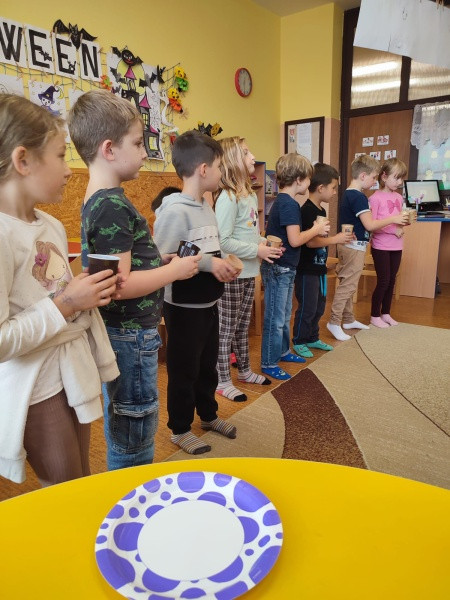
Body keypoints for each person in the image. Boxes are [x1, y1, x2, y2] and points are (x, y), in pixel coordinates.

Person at [67, 90, 200, 470]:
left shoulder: (101, 198)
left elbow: (121, 266)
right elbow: (120, 286)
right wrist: (174, 271)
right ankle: (133, 494)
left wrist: (159, 260)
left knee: (129, 419)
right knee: (135, 428)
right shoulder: (110, 203)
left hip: (125, 334)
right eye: (139, 143)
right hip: (131, 336)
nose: (145, 152)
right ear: (109, 149)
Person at [0, 94, 120, 486]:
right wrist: (67, 303)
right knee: (64, 487)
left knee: (81, 477)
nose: (70, 170)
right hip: (36, 386)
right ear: (23, 160)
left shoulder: (50, 224)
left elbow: (52, 290)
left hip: (71, 371)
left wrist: (89, 292)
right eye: (60, 155)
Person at [153, 130, 238, 454]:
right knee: (184, 369)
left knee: (207, 365)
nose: (220, 173)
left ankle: (208, 415)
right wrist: (209, 264)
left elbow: (209, 248)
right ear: (203, 169)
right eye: (218, 167)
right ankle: (179, 429)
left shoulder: (205, 206)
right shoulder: (175, 211)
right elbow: (164, 256)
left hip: (208, 302)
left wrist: (225, 262)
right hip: (184, 306)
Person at [214, 136, 282, 402]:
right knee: (226, 330)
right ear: (232, 160)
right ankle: (222, 380)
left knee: (242, 327)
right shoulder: (228, 197)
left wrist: (264, 243)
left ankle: (244, 371)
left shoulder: (249, 195)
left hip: (249, 273)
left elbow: (248, 234)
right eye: (245, 153)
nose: (252, 156)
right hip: (233, 274)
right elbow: (223, 241)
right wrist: (258, 251)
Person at [261, 153, 330, 381]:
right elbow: (295, 239)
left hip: (286, 268)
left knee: (283, 315)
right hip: (279, 269)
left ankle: (282, 352)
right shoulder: (289, 204)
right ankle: (269, 362)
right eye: (308, 179)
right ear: (299, 180)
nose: (309, 183)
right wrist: (316, 230)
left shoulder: (286, 202)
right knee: (275, 318)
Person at [326, 154, 408, 342]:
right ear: (363, 176)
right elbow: (370, 225)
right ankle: (334, 321)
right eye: (373, 177)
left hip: (351, 245)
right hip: (353, 247)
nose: (374, 181)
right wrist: (394, 219)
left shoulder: (349, 194)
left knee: (349, 284)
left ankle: (348, 320)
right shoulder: (359, 197)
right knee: (348, 286)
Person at [292, 163, 354, 358]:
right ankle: (299, 340)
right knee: (308, 307)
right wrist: (335, 239)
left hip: (319, 268)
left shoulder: (322, 211)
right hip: (306, 270)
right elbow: (310, 242)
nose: (335, 192)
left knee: (319, 306)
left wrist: (336, 239)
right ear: (321, 188)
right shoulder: (307, 211)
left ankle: (312, 337)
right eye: (333, 188)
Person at [368, 158, 408, 328]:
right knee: (383, 281)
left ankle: (386, 313)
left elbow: (398, 220)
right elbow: (372, 226)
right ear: (384, 177)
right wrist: (393, 230)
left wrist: (404, 223)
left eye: (401, 178)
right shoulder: (375, 199)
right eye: (396, 178)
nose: (400, 182)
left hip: (396, 245)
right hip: (381, 247)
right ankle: (374, 315)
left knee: (391, 280)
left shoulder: (398, 197)